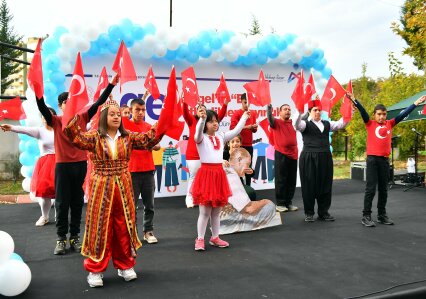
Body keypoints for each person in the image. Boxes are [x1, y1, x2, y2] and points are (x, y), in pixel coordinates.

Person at [65, 94, 160, 288]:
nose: (116, 117)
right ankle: (95, 269)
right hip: (101, 186)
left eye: (118, 114)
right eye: (112, 114)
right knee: (100, 227)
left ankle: (125, 265)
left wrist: (162, 124)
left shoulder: (128, 137)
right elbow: (74, 137)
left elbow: (148, 140)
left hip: (124, 185)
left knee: (124, 225)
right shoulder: (94, 137)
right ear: (103, 117)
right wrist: (76, 115)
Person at [36, 74, 119, 255]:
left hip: (80, 165)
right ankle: (60, 239)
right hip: (63, 167)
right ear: (60, 105)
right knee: (61, 203)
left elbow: (98, 103)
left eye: (72, 100)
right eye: (66, 101)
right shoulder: (56, 120)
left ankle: (74, 237)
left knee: (76, 203)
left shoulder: (82, 117)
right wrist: (37, 90)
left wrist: (111, 85)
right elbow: (42, 107)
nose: (70, 103)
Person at [349, 93, 426, 227]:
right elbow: (363, 111)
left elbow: (403, 114)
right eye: (379, 114)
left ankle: (381, 215)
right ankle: (366, 216)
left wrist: (415, 103)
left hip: (384, 161)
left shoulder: (390, 123)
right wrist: (354, 100)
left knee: (384, 189)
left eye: (384, 114)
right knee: (371, 189)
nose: (382, 116)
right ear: (374, 115)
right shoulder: (369, 123)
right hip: (372, 160)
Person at [192, 108, 249, 251]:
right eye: (211, 122)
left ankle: (215, 237)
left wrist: (244, 117)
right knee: (205, 212)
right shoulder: (201, 138)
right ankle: (199, 239)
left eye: (216, 121)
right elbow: (198, 132)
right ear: (206, 124)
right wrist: (202, 119)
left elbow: (236, 131)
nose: (215, 124)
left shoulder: (221, 136)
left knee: (216, 212)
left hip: (219, 175)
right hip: (206, 175)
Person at [295, 99, 350, 222]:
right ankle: (309, 213)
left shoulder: (327, 124)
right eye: (315, 110)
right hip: (309, 157)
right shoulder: (304, 124)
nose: (318, 112)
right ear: (309, 112)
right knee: (309, 185)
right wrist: (298, 112)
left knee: (325, 185)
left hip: (325, 157)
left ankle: (323, 212)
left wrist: (349, 112)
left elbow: (342, 124)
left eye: (319, 110)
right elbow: (296, 124)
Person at [1, 107, 57, 226]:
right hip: (45, 164)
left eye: (49, 115)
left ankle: (60, 216)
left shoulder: (60, 130)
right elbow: (24, 130)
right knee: (44, 193)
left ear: (55, 117)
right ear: (42, 119)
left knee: (61, 192)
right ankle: (45, 216)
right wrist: (11, 127)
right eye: (44, 116)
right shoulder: (39, 131)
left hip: (60, 163)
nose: (46, 118)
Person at [220, 135, 282, 235]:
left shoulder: (243, 154)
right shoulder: (222, 155)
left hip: (239, 186)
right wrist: (221, 162)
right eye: (233, 142)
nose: (235, 143)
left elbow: (250, 172)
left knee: (251, 192)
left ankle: (245, 215)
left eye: (237, 141)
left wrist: (249, 171)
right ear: (228, 144)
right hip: (224, 187)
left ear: (240, 143)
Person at [123, 97, 160, 244]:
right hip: (131, 171)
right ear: (131, 110)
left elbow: (157, 145)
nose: (140, 112)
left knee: (149, 205)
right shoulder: (124, 125)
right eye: (137, 109)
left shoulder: (149, 126)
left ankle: (148, 231)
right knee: (130, 205)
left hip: (148, 170)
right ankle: (130, 234)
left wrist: (149, 145)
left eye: (143, 110)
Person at [183, 99, 229, 208]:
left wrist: (225, 104)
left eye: (204, 110)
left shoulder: (209, 123)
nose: (202, 112)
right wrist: (185, 102)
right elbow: (185, 113)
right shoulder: (191, 120)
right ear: (196, 111)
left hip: (206, 156)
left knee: (205, 179)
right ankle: (189, 198)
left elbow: (220, 116)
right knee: (193, 177)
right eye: (200, 110)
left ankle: (203, 198)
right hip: (193, 155)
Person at [267, 103, 298, 213]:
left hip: (293, 154)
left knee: (291, 180)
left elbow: (302, 116)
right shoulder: (276, 122)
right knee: (281, 179)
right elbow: (270, 119)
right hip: (281, 153)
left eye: (289, 109)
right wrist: (269, 108)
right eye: (285, 109)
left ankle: (288, 203)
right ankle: (280, 203)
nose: (288, 111)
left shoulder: (294, 123)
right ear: (279, 112)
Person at [230, 93, 257, 186]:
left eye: (248, 103)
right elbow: (232, 128)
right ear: (241, 101)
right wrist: (247, 127)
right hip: (239, 146)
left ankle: (248, 189)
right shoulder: (236, 113)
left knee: (248, 169)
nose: (247, 105)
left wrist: (254, 128)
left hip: (249, 145)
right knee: (237, 168)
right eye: (245, 102)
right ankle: (238, 190)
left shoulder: (253, 113)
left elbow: (254, 131)